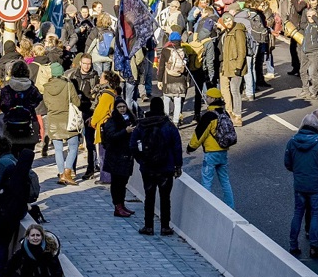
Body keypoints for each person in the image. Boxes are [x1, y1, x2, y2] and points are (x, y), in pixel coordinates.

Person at [130, 98, 183, 235]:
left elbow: (133, 145)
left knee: (149, 196)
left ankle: (149, 226)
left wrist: (141, 160)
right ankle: (165, 227)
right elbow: (177, 147)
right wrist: (178, 165)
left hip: (147, 168)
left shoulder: (142, 125)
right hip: (166, 167)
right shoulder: (169, 126)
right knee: (165, 198)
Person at [285, 113, 318, 258]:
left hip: (300, 184)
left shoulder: (292, 141)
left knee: (298, 213)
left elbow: (287, 163)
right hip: (317, 185)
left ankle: (293, 244)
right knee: (316, 215)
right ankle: (314, 246)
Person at [188, 88, 235, 207]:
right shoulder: (225, 113)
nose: (206, 98)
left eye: (208, 97)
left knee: (207, 181)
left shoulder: (209, 115)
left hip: (211, 153)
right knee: (225, 181)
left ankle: (206, 206)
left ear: (213, 99)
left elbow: (199, 135)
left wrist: (191, 147)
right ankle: (231, 206)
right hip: (223, 151)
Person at [40, 62, 81, 185]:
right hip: (68, 119)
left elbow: (46, 104)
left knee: (58, 149)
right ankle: (68, 172)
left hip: (53, 119)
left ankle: (61, 174)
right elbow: (77, 103)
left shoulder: (46, 87)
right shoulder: (68, 85)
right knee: (73, 147)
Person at [100, 99, 135, 217]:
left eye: (123, 106)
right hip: (115, 156)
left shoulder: (130, 118)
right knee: (117, 183)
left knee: (123, 182)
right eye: (119, 107)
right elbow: (111, 137)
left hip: (127, 156)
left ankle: (122, 204)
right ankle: (117, 206)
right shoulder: (112, 121)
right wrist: (125, 131)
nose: (122, 109)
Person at [217, 13, 247, 125]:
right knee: (227, 89)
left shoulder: (238, 31)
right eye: (226, 21)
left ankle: (238, 116)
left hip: (235, 65)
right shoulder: (226, 32)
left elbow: (242, 50)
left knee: (235, 90)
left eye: (229, 20)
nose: (228, 23)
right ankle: (230, 113)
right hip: (227, 65)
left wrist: (239, 66)